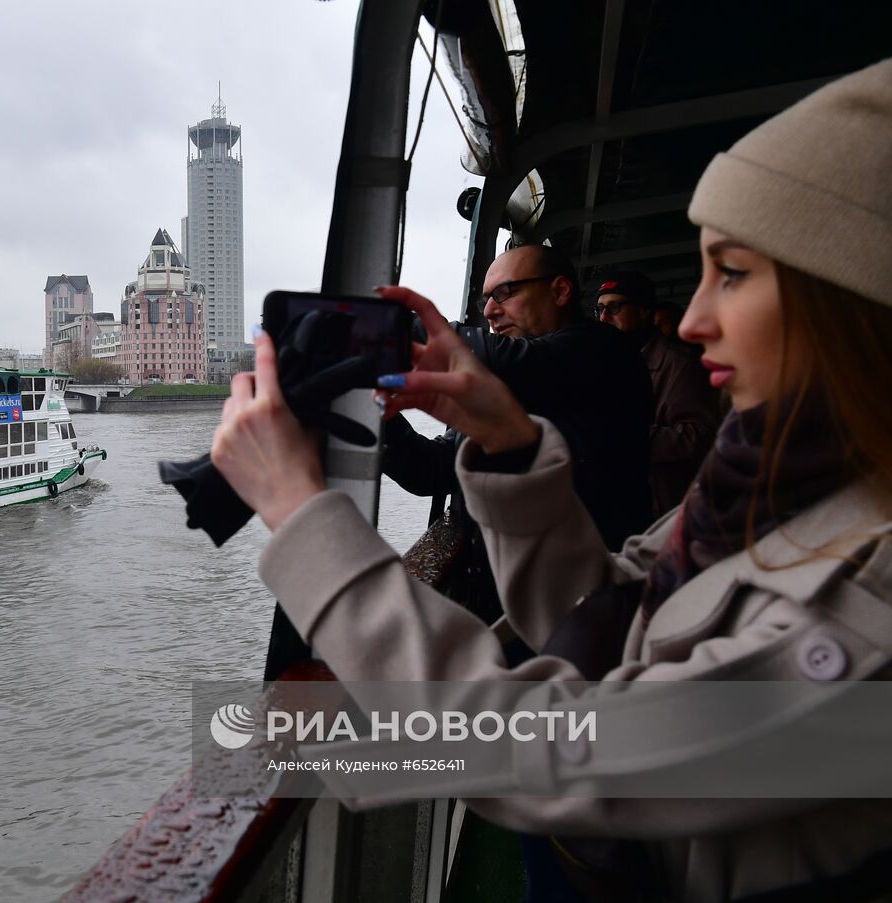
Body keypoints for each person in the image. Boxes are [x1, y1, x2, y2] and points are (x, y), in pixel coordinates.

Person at [211, 60, 892, 901]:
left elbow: (553, 755)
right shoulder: (772, 489)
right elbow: (609, 614)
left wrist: (301, 511)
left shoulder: (870, 607)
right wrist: (505, 444)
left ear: (853, 304)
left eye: (736, 272)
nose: (690, 318)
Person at [379, 245, 653, 628]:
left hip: (588, 601)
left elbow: (512, 361)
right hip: (504, 604)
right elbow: (433, 471)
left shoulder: (603, 349)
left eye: (505, 293)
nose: (490, 310)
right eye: (486, 298)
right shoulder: (507, 384)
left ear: (559, 292)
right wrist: (378, 413)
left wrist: (390, 331)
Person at [595, 270, 720, 515]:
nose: (604, 318)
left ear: (643, 310)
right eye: (599, 309)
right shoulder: (603, 362)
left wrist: (623, 439)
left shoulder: (679, 365)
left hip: (665, 504)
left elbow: (701, 435)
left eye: (615, 307)